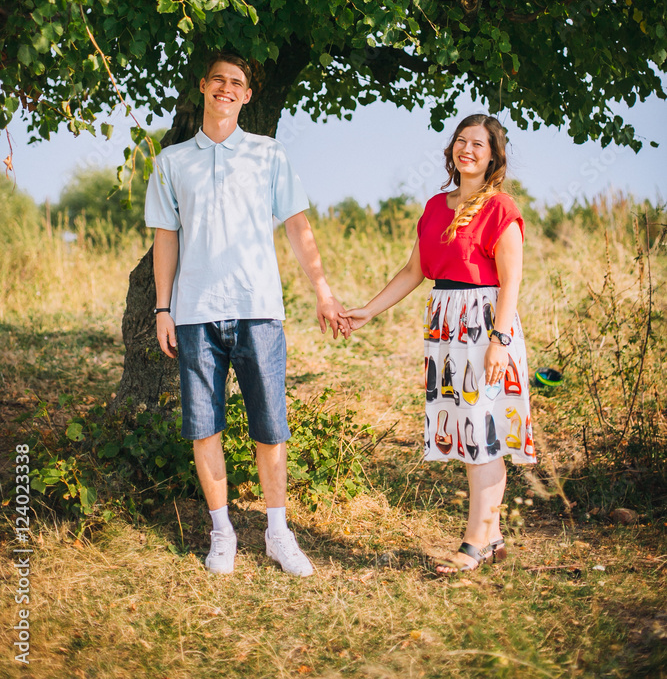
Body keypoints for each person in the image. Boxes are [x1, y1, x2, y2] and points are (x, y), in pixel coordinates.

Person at [144, 51, 349, 577]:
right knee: (203, 427)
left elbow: (299, 228)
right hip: (193, 313)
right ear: (204, 87)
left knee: (270, 426)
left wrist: (323, 291)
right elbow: (165, 240)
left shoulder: (269, 154)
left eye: (237, 82)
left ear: (248, 95)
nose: (227, 89)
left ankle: (278, 533)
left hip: (258, 309)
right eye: (218, 81)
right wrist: (163, 307)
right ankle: (222, 533)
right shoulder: (172, 162)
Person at [340, 114, 537, 573]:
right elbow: (414, 271)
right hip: (445, 328)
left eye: (478, 145)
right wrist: (369, 309)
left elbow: (512, 281)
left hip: (486, 326)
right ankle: (494, 536)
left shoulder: (501, 209)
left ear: (493, 157)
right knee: (470, 432)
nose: (467, 150)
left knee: (481, 433)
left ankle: (474, 544)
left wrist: (499, 341)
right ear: (452, 150)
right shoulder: (434, 206)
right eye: (461, 142)